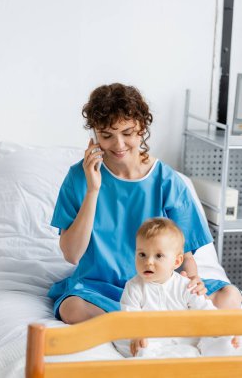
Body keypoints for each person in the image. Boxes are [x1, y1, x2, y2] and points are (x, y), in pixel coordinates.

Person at [48, 82, 241, 326]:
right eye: (107, 135)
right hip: (102, 288)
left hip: (160, 287)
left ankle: (134, 324)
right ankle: (141, 324)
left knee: (230, 296)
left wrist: (192, 282)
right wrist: (93, 189)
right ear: (95, 134)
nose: (118, 145)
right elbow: (72, 255)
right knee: (72, 308)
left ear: (142, 128)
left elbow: (185, 255)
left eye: (127, 133)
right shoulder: (79, 177)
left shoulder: (167, 181)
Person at [113, 217, 239, 358]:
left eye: (158, 256)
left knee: (210, 337)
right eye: (142, 254)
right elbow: (130, 316)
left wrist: (222, 329)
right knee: (132, 344)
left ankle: (224, 344)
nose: (148, 262)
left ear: (177, 261)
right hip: (150, 339)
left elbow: (206, 310)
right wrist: (137, 335)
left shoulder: (186, 285)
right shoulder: (134, 287)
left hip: (184, 340)